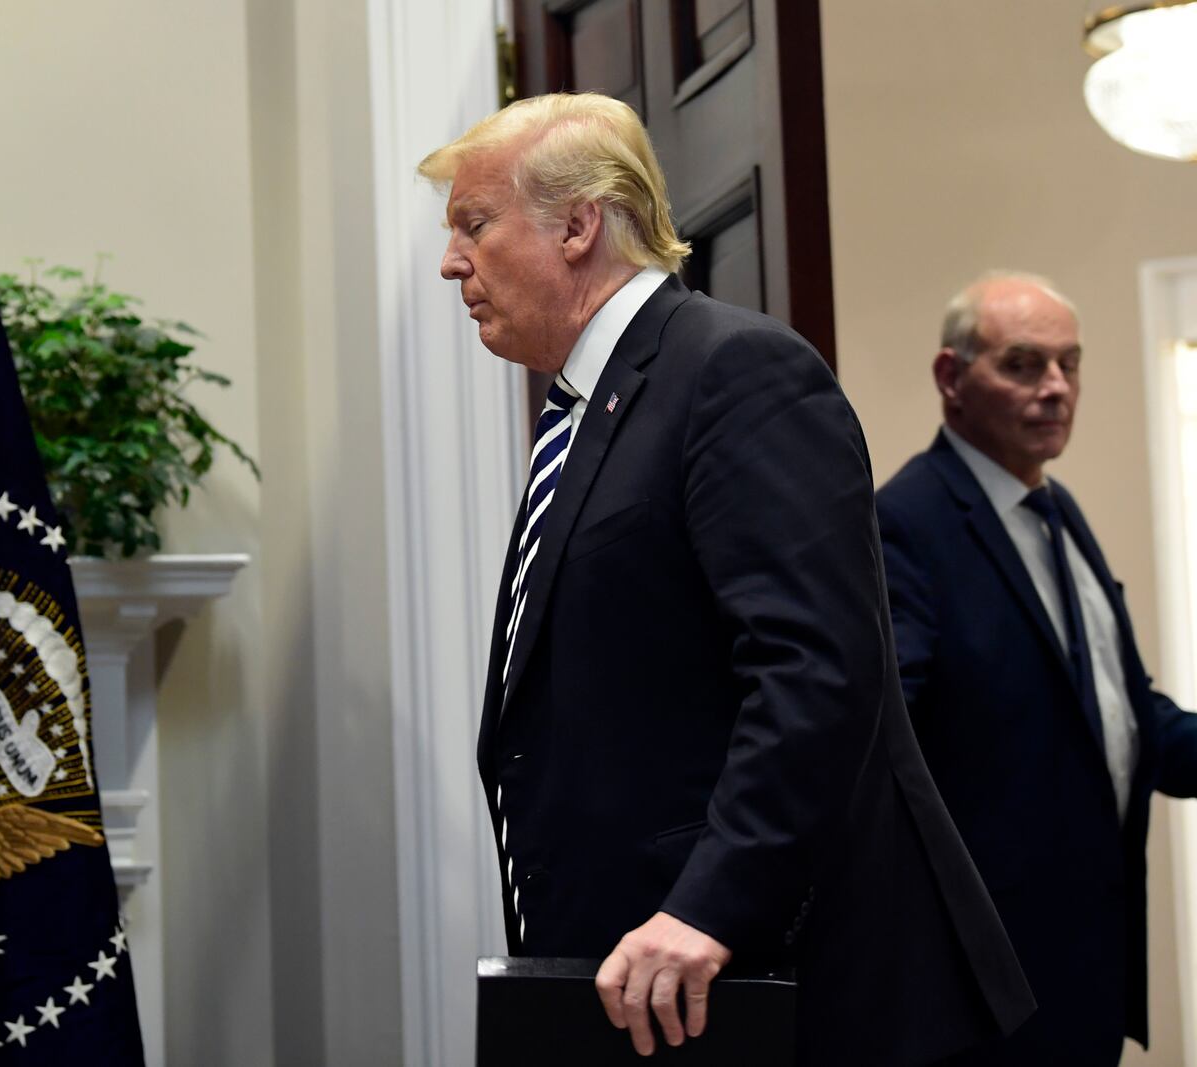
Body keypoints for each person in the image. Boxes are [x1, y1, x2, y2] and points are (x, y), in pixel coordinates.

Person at [418, 93, 1033, 1066]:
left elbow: (818, 668)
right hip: (653, 989)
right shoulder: (588, 408)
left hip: (774, 984)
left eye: (473, 223)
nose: (453, 261)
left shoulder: (734, 369)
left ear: (578, 223)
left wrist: (709, 903)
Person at [875, 272, 1197, 1065]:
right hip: (984, 987)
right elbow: (888, 752)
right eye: (1023, 364)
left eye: (1069, 364)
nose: (1056, 388)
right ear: (952, 377)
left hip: (1089, 963)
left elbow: (1123, 717)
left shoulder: (1058, 510)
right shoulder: (906, 524)